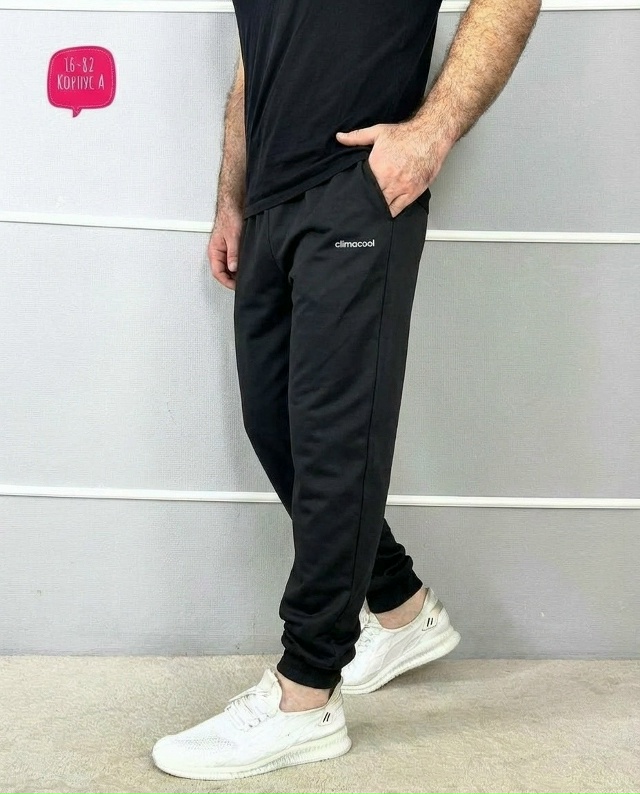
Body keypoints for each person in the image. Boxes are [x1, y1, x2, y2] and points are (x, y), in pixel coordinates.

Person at [152, 0, 541, 780]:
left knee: (335, 439)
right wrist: (231, 195)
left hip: (354, 187)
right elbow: (255, 58)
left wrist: (431, 134)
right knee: (275, 425)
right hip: (269, 203)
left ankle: (307, 696)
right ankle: (399, 608)